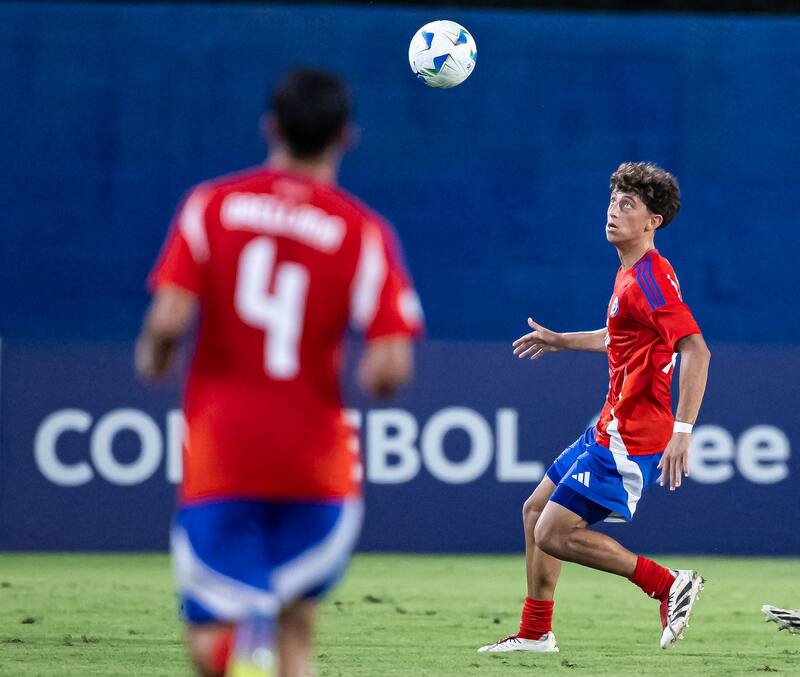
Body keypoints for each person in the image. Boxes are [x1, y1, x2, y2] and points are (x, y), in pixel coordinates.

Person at [136, 68, 422, 677]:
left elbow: (166, 323)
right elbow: (390, 365)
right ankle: (264, 652)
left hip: (223, 455)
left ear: (271, 126)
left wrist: (156, 356)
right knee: (298, 634)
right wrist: (378, 381)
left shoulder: (210, 205)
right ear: (346, 136)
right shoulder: (363, 231)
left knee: (209, 633)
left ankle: (240, 654)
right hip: (316, 466)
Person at [478, 162, 711, 654]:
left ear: (654, 221)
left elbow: (695, 349)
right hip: (610, 425)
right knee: (535, 511)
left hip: (634, 434)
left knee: (553, 533)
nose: (613, 212)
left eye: (628, 205)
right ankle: (537, 632)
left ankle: (666, 584)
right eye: (612, 202)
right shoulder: (629, 272)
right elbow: (621, 336)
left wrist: (683, 430)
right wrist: (563, 340)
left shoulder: (651, 277)